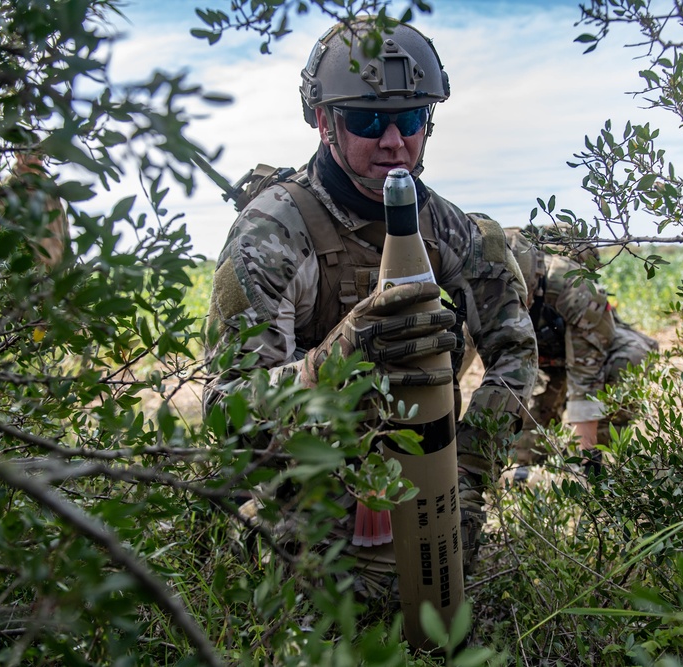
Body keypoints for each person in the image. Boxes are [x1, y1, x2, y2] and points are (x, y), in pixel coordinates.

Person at [204, 18, 537, 598]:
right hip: (303, 490)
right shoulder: (272, 236)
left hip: (426, 481)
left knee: (441, 619)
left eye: (410, 119)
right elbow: (227, 412)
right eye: (365, 120)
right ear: (323, 122)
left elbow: (515, 354)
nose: (393, 140)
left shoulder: (453, 232)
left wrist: (468, 475)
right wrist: (333, 363)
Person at [495, 221, 658, 477]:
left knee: (627, 361)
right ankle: (528, 470)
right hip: (545, 358)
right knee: (528, 431)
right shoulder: (485, 293)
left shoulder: (574, 290)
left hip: (595, 352)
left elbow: (586, 379)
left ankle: (600, 459)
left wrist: (588, 459)